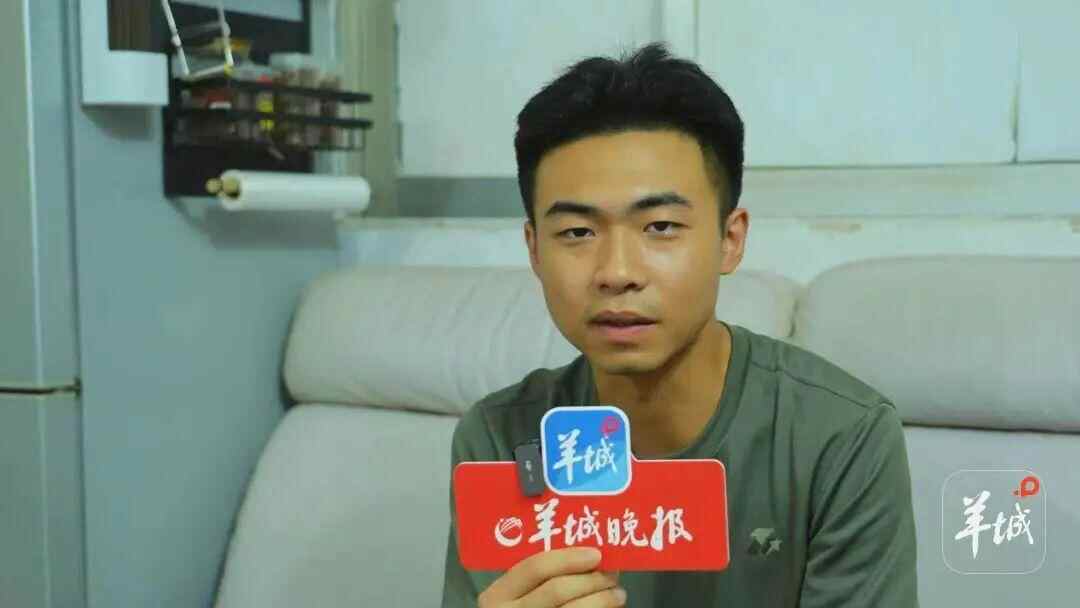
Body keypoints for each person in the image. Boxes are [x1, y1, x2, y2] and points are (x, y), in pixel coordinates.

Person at [441, 42, 918, 608]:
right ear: (535, 250)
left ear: (730, 239)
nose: (617, 273)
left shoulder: (841, 437)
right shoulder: (502, 439)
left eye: (661, 227)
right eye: (577, 233)